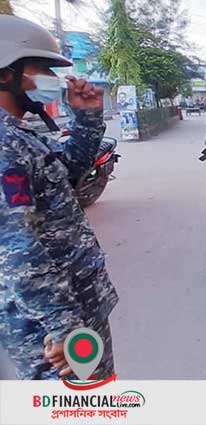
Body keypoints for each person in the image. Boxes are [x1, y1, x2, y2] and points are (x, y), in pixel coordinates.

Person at [0, 16, 118, 380]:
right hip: (51, 328)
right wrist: (64, 328)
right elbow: (16, 248)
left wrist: (87, 119)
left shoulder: (21, 134)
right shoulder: (4, 147)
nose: (53, 80)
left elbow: (66, 177)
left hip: (76, 303)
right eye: (41, 69)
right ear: (6, 74)